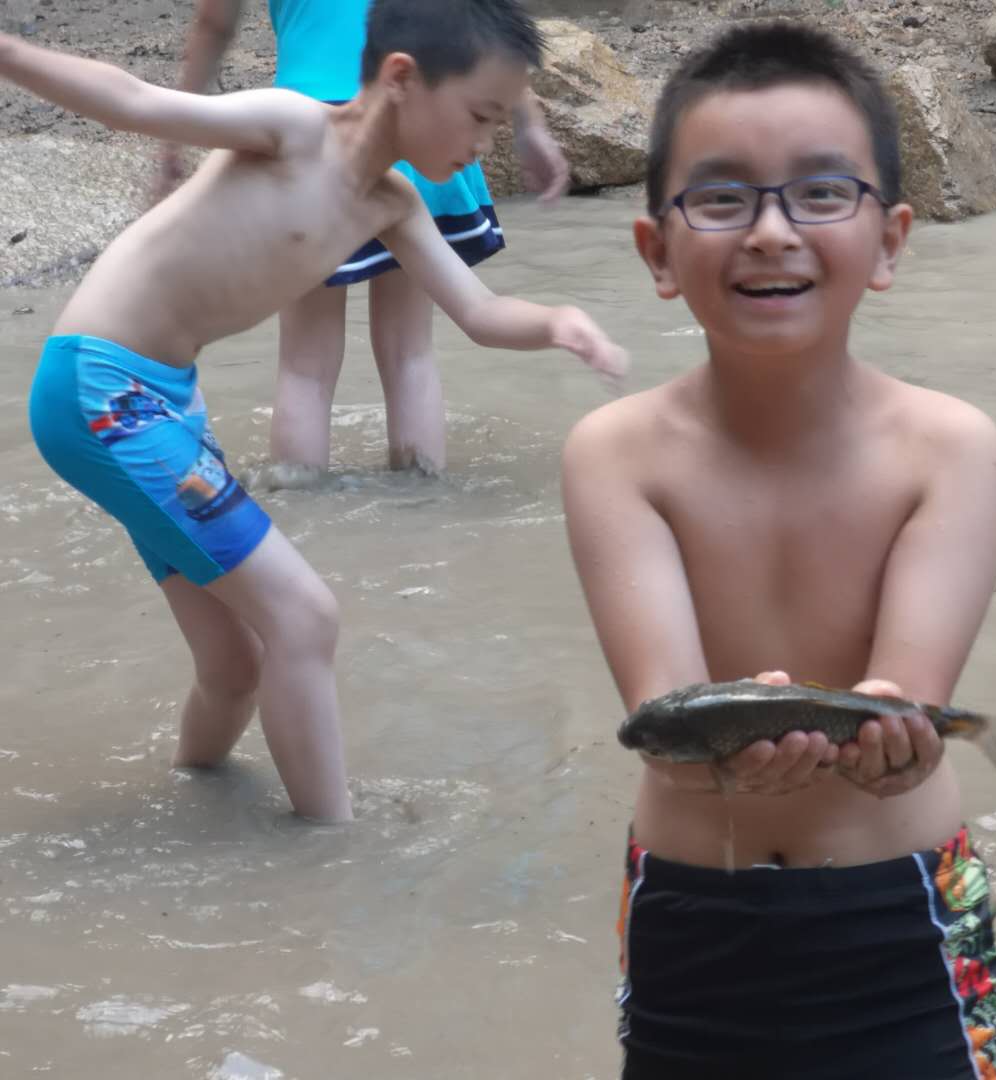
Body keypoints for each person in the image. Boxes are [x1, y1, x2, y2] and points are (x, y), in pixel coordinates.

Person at [5, 0, 626, 823]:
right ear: (401, 78)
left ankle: (195, 800)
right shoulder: (293, 127)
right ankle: (331, 840)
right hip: (104, 390)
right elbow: (133, 100)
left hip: (163, 403)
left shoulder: (392, 204)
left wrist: (558, 323)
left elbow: (479, 314)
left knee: (235, 665)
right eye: (481, 116)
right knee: (303, 616)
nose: (485, 145)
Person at [561, 21, 996, 1080]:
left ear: (891, 240)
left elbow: (906, 691)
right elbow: (664, 717)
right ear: (657, 251)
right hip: (689, 908)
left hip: (905, 904)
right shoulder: (615, 453)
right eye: (722, 199)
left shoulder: (951, 447)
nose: (772, 232)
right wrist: (715, 760)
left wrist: (895, 731)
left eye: (820, 193)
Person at [156, 0, 572, 475]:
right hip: (415, 119)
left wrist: (176, 137)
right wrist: (528, 124)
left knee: (304, 365)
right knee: (410, 353)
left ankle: (300, 500)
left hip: (310, 137)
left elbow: (214, 24)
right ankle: (422, 500)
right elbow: (480, 24)